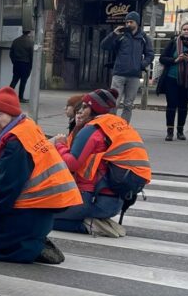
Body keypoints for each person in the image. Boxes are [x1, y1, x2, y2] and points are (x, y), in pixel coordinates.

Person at [0, 87, 81, 264]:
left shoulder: (15, 142)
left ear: (11, 114)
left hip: (25, 215)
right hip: (39, 216)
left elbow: (5, 197)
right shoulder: (27, 127)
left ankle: (30, 247)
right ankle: (30, 241)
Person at [52, 88, 150, 237]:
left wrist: (60, 145)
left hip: (91, 199)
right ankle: (94, 221)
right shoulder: (118, 124)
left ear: (94, 108)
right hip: (116, 200)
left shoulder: (92, 130)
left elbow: (73, 163)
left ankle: (91, 225)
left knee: (42, 219)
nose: (80, 110)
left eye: (85, 106)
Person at [100, 11, 154, 123]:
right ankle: (110, 125)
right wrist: (113, 34)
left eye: (131, 22)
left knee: (128, 104)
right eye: (127, 22)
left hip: (134, 75)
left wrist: (141, 65)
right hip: (119, 73)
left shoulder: (143, 38)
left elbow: (150, 54)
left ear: (137, 23)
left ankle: (123, 127)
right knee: (114, 101)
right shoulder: (121, 36)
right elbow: (104, 46)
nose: (128, 24)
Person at [158, 22, 188, 141]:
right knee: (171, 105)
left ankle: (180, 131)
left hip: (187, 80)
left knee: (183, 106)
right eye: (184, 29)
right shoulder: (173, 42)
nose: (186, 31)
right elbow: (162, 58)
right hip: (172, 78)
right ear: (181, 31)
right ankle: (169, 131)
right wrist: (176, 59)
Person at [9, 29, 34, 102]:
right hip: (26, 64)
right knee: (23, 82)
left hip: (16, 63)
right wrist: (31, 66)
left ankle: (7, 96)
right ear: (29, 32)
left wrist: (14, 62)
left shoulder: (15, 41)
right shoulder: (30, 42)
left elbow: (11, 53)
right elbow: (31, 55)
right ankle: (20, 97)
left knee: (14, 80)